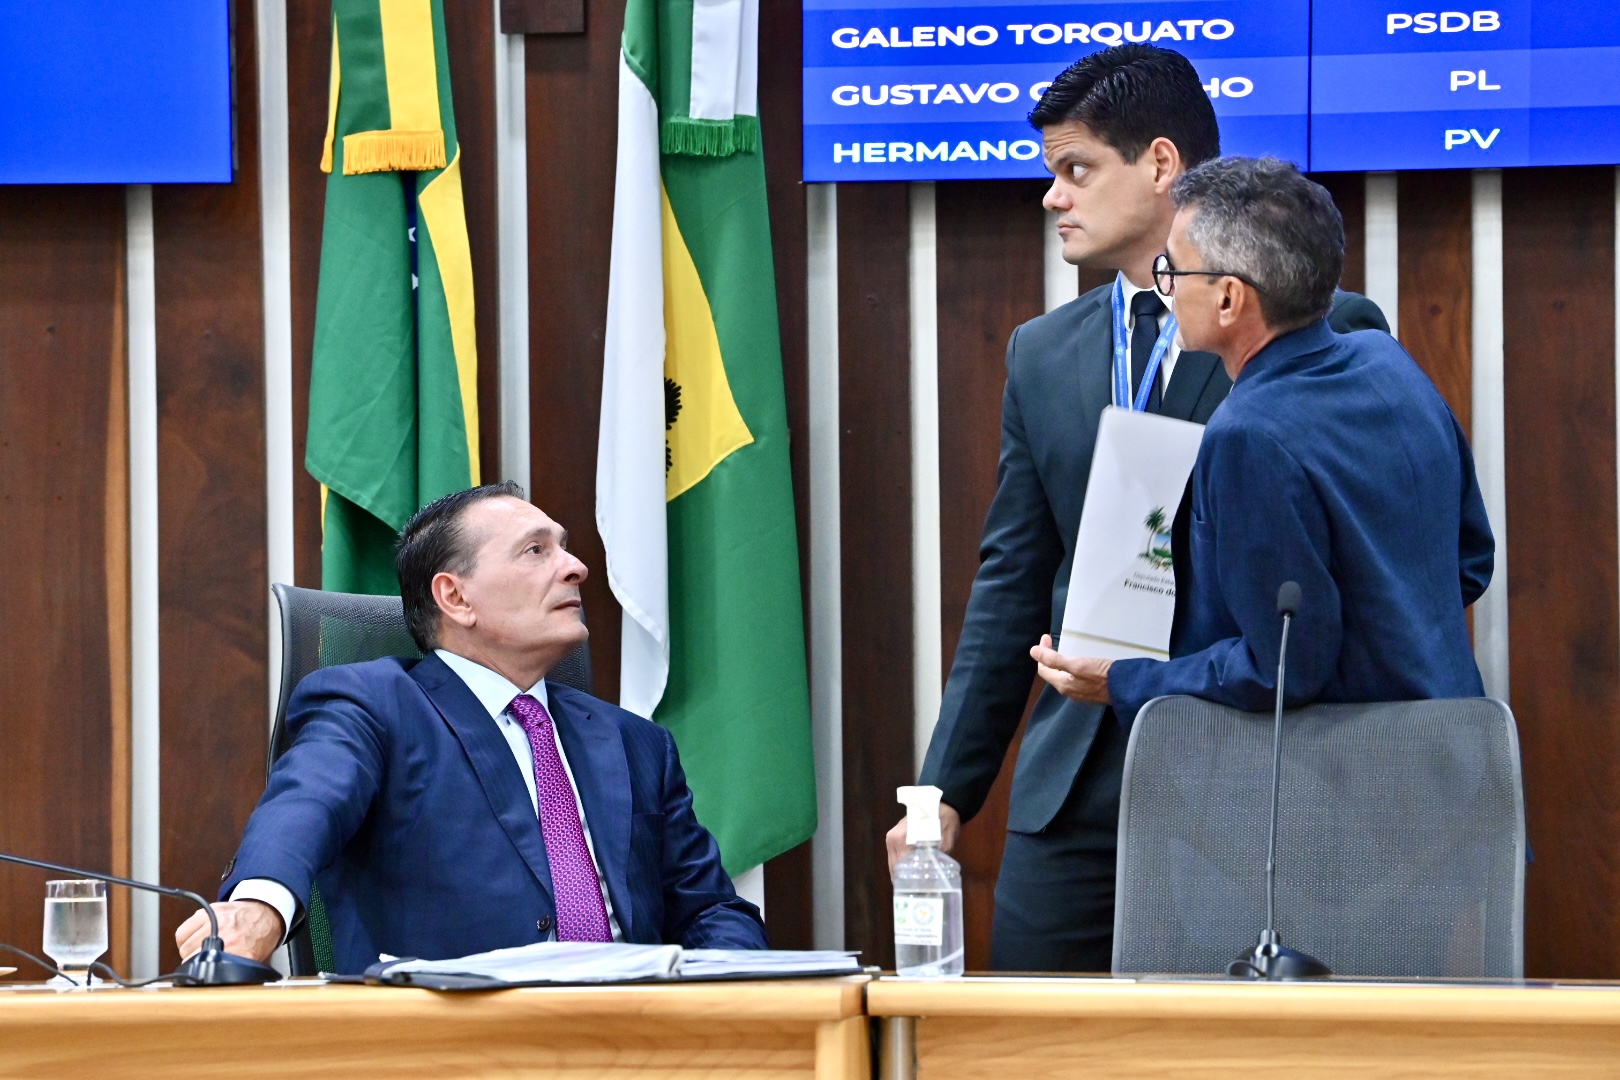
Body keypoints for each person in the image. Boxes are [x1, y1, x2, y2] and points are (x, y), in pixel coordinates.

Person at [885, 44, 1390, 973]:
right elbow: (1012, 580)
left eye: (1076, 170)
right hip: (1074, 779)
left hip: (1246, 773)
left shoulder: (1314, 325)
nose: (1052, 197)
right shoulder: (1044, 353)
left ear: (1161, 165)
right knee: (1032, 1038)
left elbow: (1368, 563)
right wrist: (944, 790)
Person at [176, 482, 766, 972]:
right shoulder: (374, 704)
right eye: (535, 551)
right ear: (455, 597)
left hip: (636, 1039)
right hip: (454, 1041)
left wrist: (738, 994)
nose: (577, 567)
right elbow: (309, 803)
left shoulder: (636, 742)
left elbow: (709, 910)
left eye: (563, 549)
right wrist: (260, 905)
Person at [1032, 156, 1492, 730]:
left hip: (1348, 768)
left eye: (1173, 270)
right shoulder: (1387, 361)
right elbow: (1471, 561)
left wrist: (1122, 680)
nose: (1165, 287)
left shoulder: (1247, 434)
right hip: (1458, 746)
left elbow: (1282, 668)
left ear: (1228, 299)